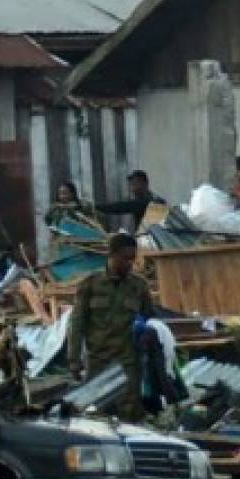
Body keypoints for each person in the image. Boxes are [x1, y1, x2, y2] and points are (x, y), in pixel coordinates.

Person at [68, 233, 153, 418]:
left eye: (133, 258)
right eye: (125, 258)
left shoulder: (139, 286)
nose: (130, 263)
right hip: (98, 361)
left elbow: (150, 319)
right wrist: (74, 360)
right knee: (96, 414)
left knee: (129, 416)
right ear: (111, 255)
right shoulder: (90, 285)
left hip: (128, 363)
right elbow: (77, 323)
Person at [135, 315, 187, 415]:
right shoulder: (154, 325)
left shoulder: (149, 328)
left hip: (161, 351)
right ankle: (173, 403)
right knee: (163, 378)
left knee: (162, 378)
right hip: (162, 350)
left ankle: (168, 405)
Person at [95, 170, 166, 231]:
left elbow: (119, 207)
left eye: (134, 184)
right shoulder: (154, 199)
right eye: (131, 185)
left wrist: (95, 206)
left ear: (145, 183)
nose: (132, 189)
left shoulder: (146, 202)